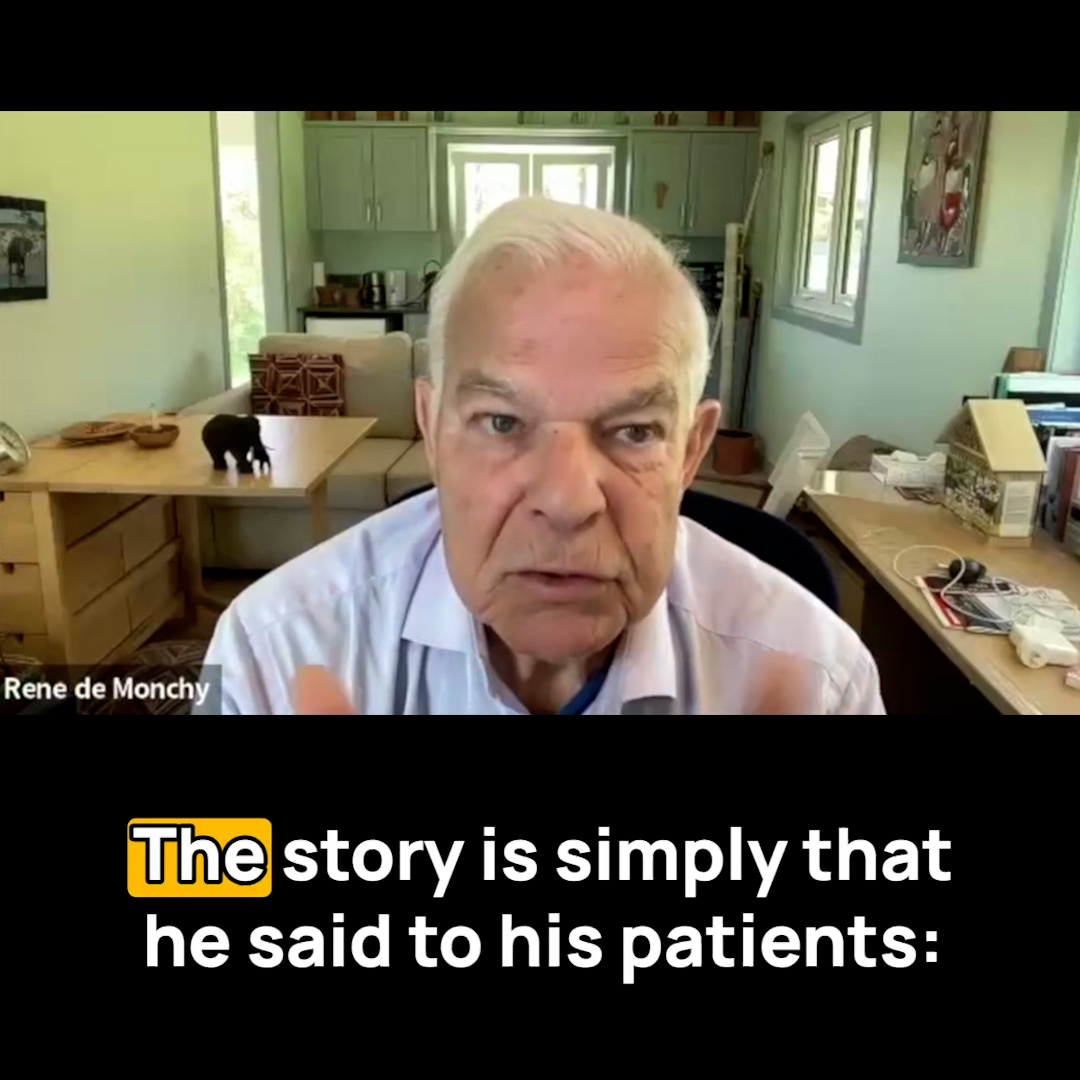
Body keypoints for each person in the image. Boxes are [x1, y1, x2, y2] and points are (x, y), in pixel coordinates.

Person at [200, 197, 883, 715]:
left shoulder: (820, 682)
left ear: (689, 452)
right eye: (501, 422)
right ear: (432, 431)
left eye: (635, 431)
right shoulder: (275, 656)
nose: (566, 502)